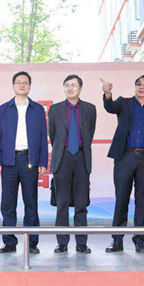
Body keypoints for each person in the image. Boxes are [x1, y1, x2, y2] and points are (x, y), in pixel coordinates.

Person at [101, 75, 144, 254]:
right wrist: (108, 94)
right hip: (124, 157)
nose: (141, 87)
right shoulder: (124, 103)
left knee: (142, 201)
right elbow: (110, 107)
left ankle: (139, 241)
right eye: (138, 84)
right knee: (121, 199)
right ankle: (117, 240)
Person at [0, 71, 48, 254]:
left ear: (30, 86)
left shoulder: (37, 109)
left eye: (25, 83)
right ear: (13, 86)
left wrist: (42, 162)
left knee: (31, 203)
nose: (22, 85)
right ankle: (9, 242)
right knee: (8, 204)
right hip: (9, 161)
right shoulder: (4, 109)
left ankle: (32, 243)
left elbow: (43, 137)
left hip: (29, 161)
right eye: (18, 82)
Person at [48, 75, 97, 254]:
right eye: (67, 85)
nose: (70, 88)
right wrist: (64, 149)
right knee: (62, 203)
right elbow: (53, 134)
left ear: (80, 88)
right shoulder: (55, 109)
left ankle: (81, 243)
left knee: (81, 204)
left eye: (74, 85)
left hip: (82, 157)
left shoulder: (90, 109)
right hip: (62, 157)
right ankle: (62, 243)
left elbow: (90, 132)